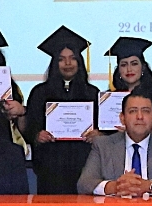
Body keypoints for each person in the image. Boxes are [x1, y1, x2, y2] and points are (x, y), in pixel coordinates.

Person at [25, 26, 101, 194]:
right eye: (61, 59)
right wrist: (37, 136)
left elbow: (103, 128)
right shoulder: (39, 92)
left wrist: (99, 134)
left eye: (72, 58)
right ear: (54, 63)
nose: (68, 63)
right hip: (51, 168)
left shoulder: (92, 92)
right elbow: (30, 126)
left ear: (79, 62)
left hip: (85, 166)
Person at [77, 93, 152, 196]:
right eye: (133, 111)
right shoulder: (103, 145)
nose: (140, 117)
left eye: (146, 111)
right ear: (122, 118)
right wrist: (116, 187)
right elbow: (84, 184)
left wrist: (150, 186)